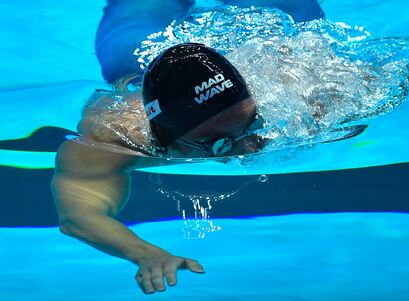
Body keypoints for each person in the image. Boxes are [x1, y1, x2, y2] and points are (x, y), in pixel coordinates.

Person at [51, 0, 325, 296]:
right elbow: (79, 215)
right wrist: (145, 253)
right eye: (217, 144)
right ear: (167, 136)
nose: (248, 148)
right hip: (132, 56)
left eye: (252, 123)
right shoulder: (111, 136)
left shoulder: (300, 88)